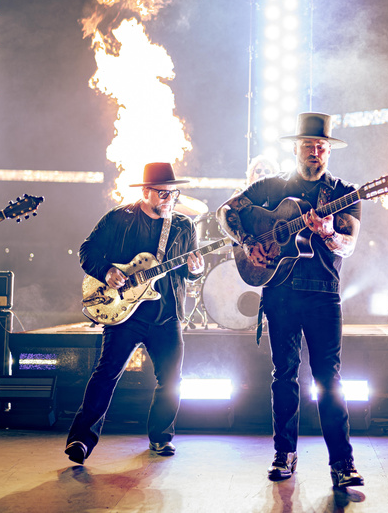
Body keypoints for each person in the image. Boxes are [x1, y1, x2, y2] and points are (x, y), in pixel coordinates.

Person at [217, 112, 364, 489]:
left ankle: (342, 463)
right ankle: (284, 454)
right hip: (279, 294)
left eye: (321, 146)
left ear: (328, 151)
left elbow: (348, 246)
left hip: (323, 296)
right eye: (308, 145)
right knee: (283, 376)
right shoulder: (270, 188)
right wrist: (247, 244)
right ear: (297, 149)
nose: (315, 151)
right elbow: (226, 212)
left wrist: (330, 234)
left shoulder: (346, 194)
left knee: (328, 378)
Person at [65, 162, 204, 464]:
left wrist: (196, 270)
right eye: (163, 194)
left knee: (171, 380)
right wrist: (107, 271)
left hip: (166, 315)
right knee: (106, 374)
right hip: (124, 313)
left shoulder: (183, 226)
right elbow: (87, 251)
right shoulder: (119, 219)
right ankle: (80, 439)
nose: (170, 200)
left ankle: (161, 438)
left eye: (174, 194)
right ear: (146, 192)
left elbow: (189, 273)